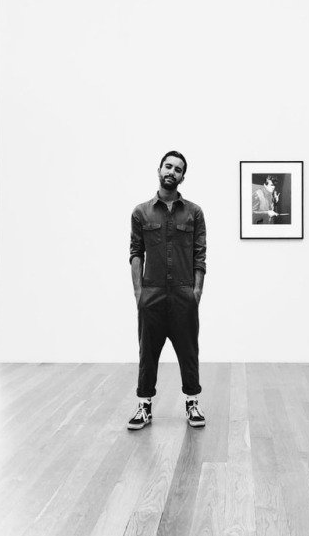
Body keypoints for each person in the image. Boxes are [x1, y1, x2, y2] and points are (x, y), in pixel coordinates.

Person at [127, 151, 206, 429]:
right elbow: (136, 253)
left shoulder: (194, 212)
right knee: (147, 353)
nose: (172, 171)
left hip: (184, 294)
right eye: (168, 166)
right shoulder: (141, 212)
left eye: (178, 169)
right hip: (152, 294)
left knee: (189, 352)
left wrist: (196, 292)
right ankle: (144, 407)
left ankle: (192, 403)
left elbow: (199, 255)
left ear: (183, 177)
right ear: (159, 170)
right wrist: (139, 294)